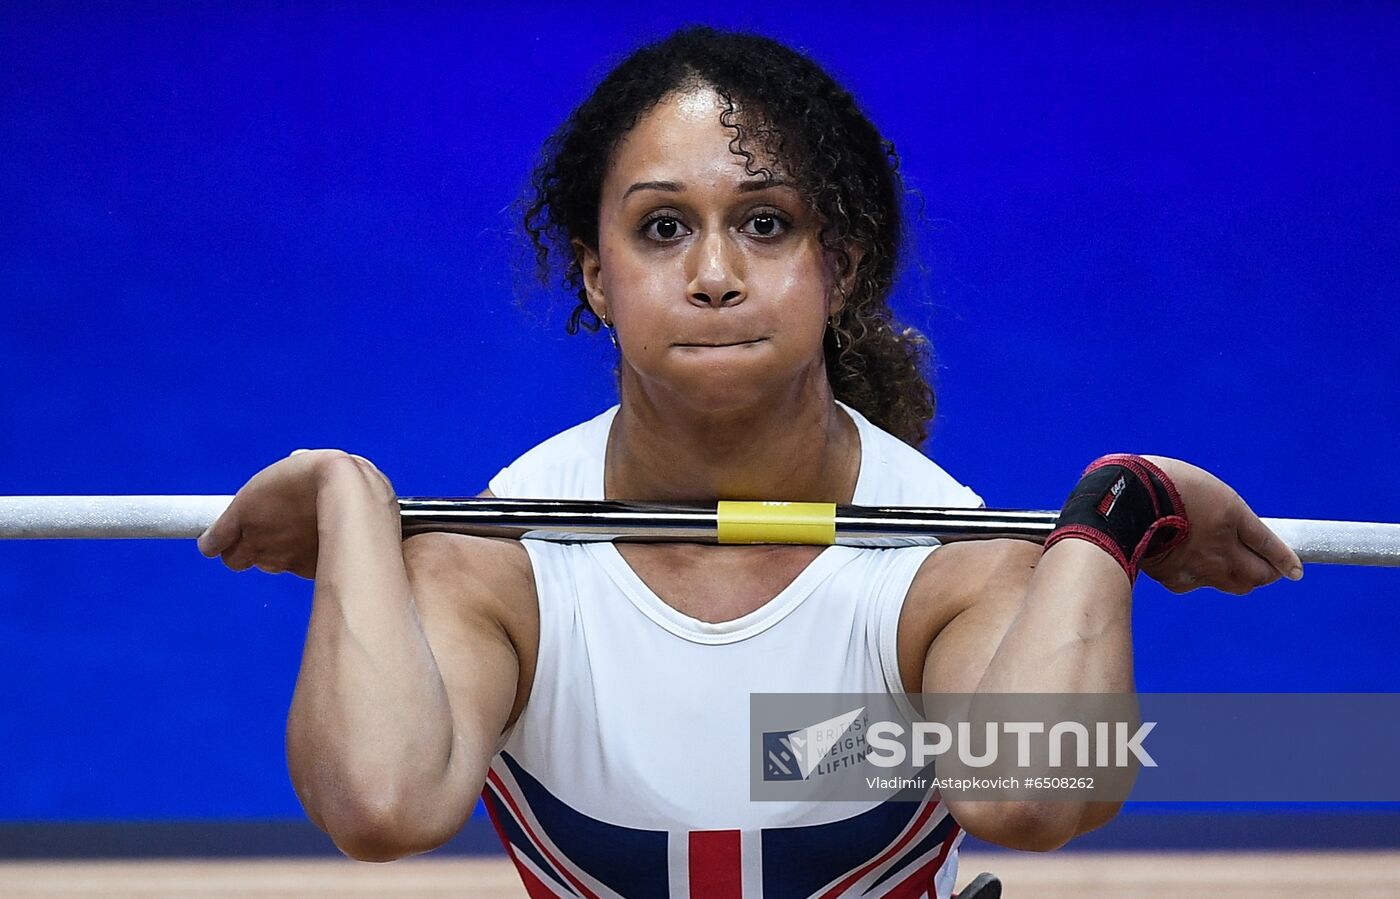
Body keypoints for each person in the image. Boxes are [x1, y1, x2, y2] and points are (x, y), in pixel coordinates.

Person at [198, 26, 1303, 899]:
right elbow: (379, 805)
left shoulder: (947, 564)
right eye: (663, 228)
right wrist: (353, 503)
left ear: (841, 265)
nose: (715, 273)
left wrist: (1114, 512)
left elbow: (1030, 794)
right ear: (595, 276)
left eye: (766, 224)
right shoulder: (500, 563)